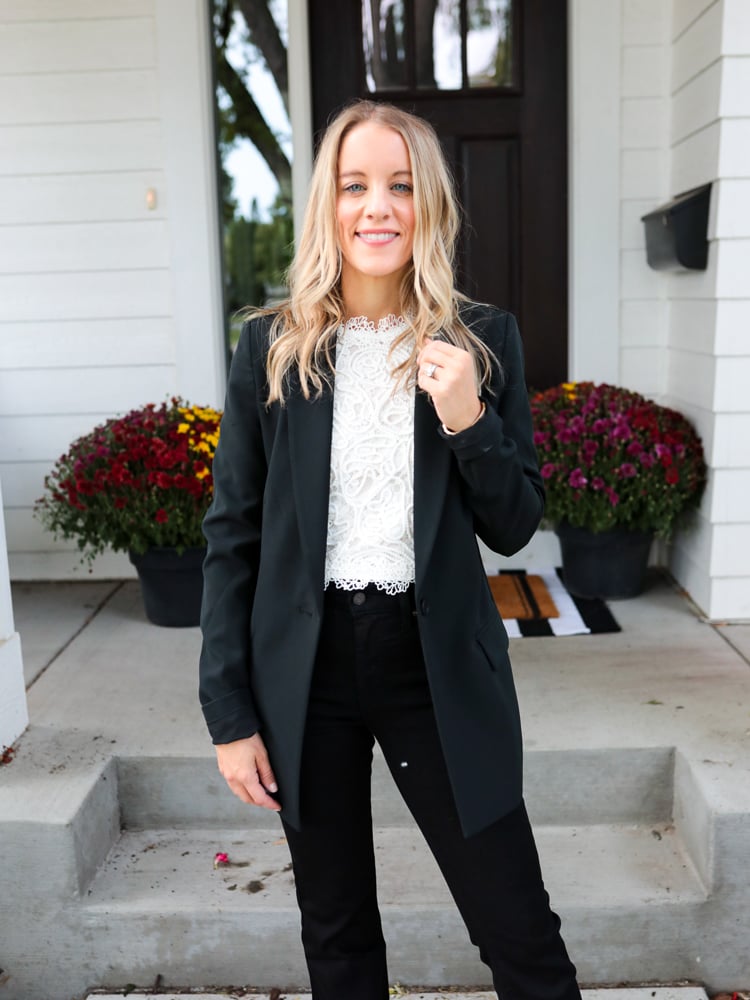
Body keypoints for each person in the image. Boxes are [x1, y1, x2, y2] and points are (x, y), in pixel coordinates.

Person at [199, 99, 581, 1000]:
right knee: (335, 935)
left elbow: (515, 525)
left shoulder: (481, 340)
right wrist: (229, 712)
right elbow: (232, 536)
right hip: (307, 669)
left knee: (519, 928)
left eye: (401, 186)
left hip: (433, 665)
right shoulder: (274, 348)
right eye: (356, 184)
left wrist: (468, 419)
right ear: (328, 206)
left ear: (430, 206)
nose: (379, 206)